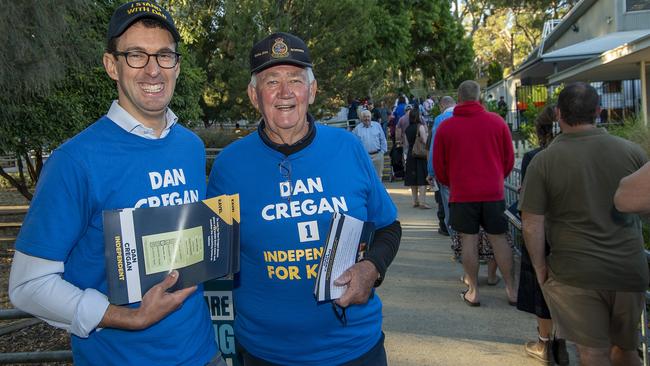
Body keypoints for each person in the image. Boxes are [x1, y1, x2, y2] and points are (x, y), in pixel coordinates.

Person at [8, 2, 222, 365]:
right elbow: (28, 287)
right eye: (137, 55)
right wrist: (131, 318)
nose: (153, 69)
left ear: (177, 65)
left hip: (203, 353)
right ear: (112, 65)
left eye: (164, 55)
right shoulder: (75, 161)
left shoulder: (190, 146)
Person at [207, 32, 402, 366]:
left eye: (296, 80)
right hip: (266, 354)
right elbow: (213, 258)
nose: (285, 93)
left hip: (354, 346)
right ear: (254, 95)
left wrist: (372, 268)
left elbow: (388, 227)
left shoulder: (349, 149)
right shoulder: (229, 166)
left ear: (312, 90)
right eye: (271, 82)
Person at [520, 82, 648, 366]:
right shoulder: (633, 153)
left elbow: (531, 224)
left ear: (558, 114)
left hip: (575, 274)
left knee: (592, 354)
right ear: (599, 112)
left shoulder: (543, 162)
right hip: (628, 270)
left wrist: (541, 270)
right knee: (626, 351)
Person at [433, 80, 516, 307]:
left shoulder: (446, 128)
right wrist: (497, 177)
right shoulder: (497, 122)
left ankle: (473, 290)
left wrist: (453, 182)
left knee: (468, 240)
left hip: (462, 192)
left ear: (458, 98)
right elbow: (509, 159)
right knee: (499, 238)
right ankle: (511, 288)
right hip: (493, 192)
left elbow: (439, 166)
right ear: (479, 97)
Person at [515, 104, 568, 365]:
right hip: (568, 231)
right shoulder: (574, 156)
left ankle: (545, 343)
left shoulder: (533, 158)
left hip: (541, 230)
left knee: (542, 285)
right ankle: (563, 341)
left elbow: (526, 198)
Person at [427, 95, 456, 236]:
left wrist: (431, 172)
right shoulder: (466, 116)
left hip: (447, 172)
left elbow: (434, 148)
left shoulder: (440, 120)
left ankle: (457, 243)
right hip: (469, 172)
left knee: (450, 208)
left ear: (441, 106)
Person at [404, 107, 430, 209]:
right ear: (418, 116)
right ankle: (423, 202)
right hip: (420, 155)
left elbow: (406, 144)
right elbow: (425, 140)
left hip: (411, 154)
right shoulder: (421, 127)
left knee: (413, 179)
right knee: (422, 179)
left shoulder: (407, 129)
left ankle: (415, 201)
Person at [352, 109, 388, 179]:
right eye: (365, 117)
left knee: (378, 177)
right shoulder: (357, 129)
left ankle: (377, 190)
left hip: (377, 155)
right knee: (366, 177)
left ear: (371, 117)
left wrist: (382, 152)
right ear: (361, 119)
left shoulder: (377, 125)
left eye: (368, 116)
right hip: (364, 156)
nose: (367, 118)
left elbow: (383, 139)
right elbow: (354, 142)